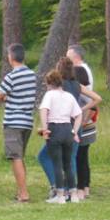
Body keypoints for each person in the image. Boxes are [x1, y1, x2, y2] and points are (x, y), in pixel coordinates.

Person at [0, 43, 37, 203]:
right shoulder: (33, 75)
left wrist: (7, 97)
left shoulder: (11, 76)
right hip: (27, 121)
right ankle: (20, 190)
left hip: (13, 121)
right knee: (21, 157)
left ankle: (24, 193)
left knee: (15, 157)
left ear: (10, 57)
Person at [39, 70, 83, 204]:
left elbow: (44, 110)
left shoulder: (49, 95)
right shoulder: (69, 96)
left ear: (50, 83)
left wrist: (45, 128)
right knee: (68, 163)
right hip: (67, 129)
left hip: (55, 129)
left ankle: (60, 195)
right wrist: (74, 131)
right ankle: (74, 194)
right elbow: (78, 114)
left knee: (57, 164)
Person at [75, 66, 101, 200]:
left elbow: (94, 107)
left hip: (85, 129)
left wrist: (83, 121)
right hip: (90, 129)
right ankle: (86, 187)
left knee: (80, 158)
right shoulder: (87, 89)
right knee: (83, 159)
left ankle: (81, 187)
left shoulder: (82, 90)